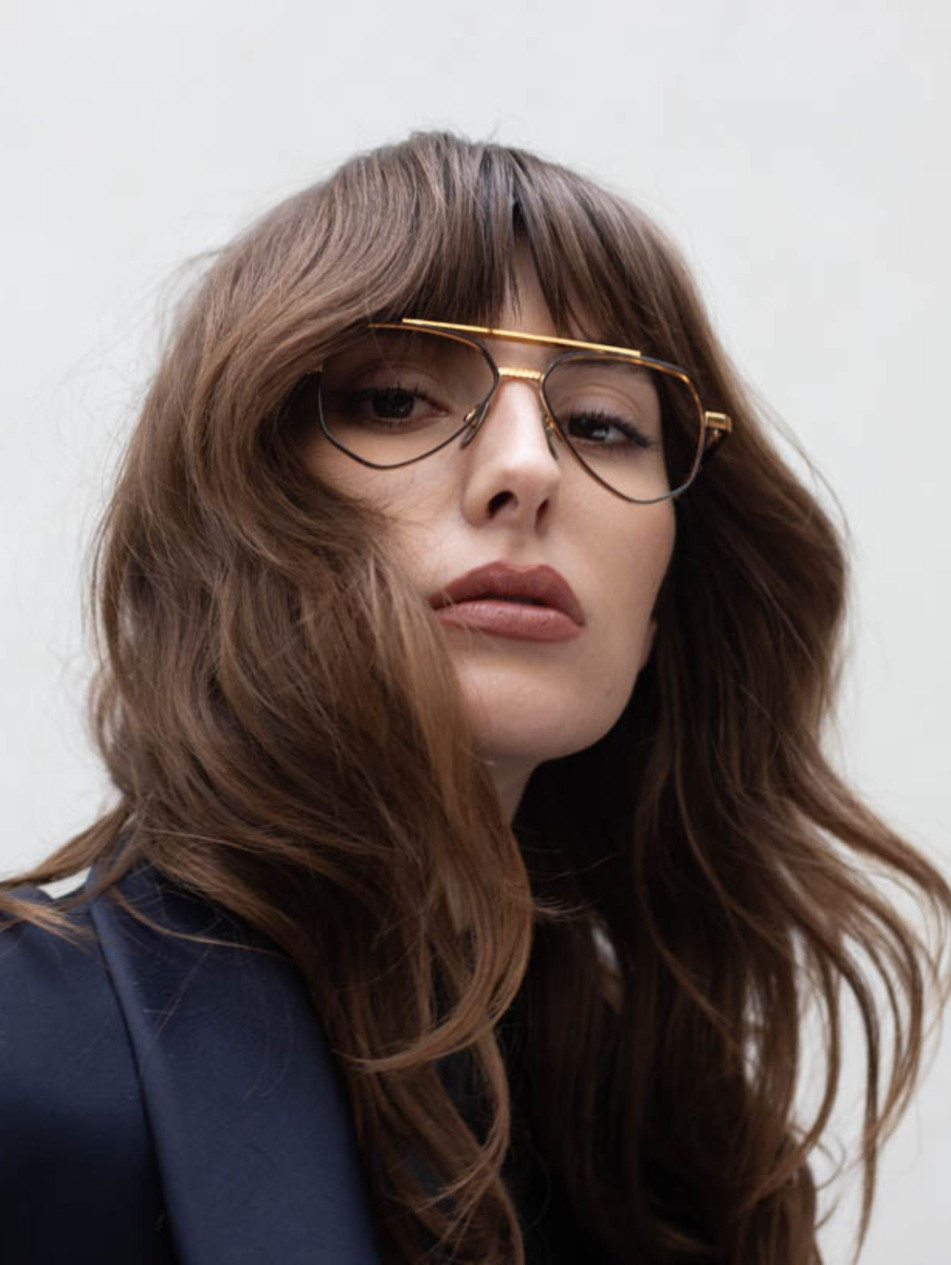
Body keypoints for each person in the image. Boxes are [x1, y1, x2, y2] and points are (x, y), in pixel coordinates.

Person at [0, 131, 948, 1265]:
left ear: (665, 602)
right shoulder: (28, 1052)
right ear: (233, 518)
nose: (529, 468)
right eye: (398, 397)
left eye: (601, 423)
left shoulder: (675, 1150)